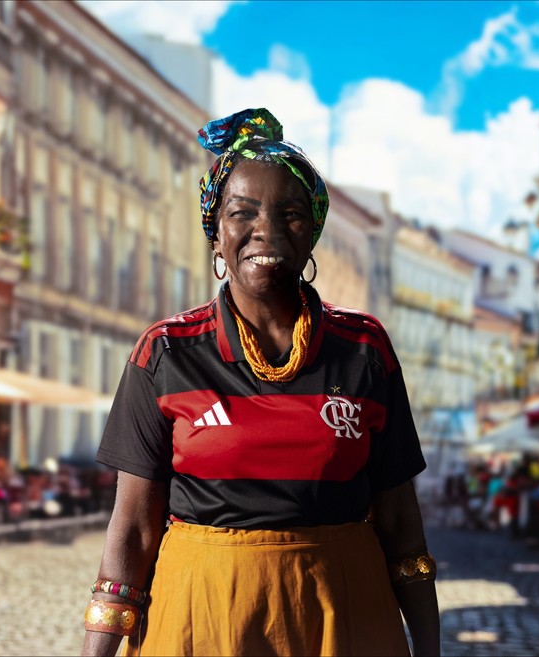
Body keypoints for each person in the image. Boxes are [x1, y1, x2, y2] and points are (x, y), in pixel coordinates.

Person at [81, 108, 440, 657]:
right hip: (201, 619)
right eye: (242, 212)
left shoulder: (365, 350)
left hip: (342, 618)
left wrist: (429, 648)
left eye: (291, 213)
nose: (266, 230)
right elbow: (132, 528)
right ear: (216, 233)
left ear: (313, 231)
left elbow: (399, 519)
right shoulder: (166, 352)